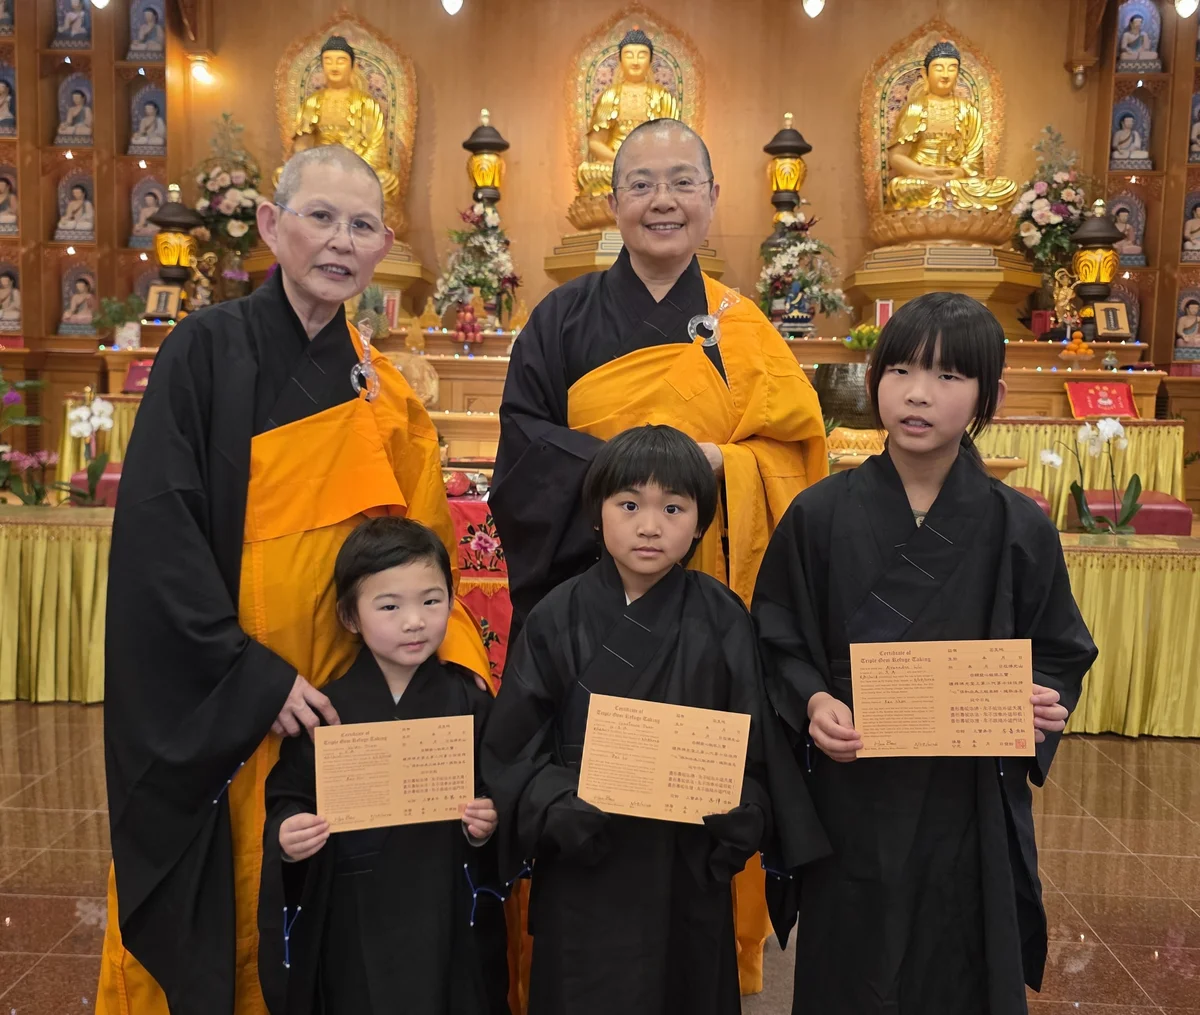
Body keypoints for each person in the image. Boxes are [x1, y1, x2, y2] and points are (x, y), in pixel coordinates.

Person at [97, 144, 492, 1015]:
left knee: (336, 885)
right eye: (320, 217)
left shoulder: (386, 390)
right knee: (238, 878)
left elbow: (427, 546)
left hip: (353, 683)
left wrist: (444, 662)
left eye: (360, 225)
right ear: (273, 227)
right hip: (239, 683)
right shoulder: (204, 351)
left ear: (382, 245)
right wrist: (251, 677)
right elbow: (161, 534)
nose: (339, 241)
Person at [490, 116, 826, 995]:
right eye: (642, 183)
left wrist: (725, 467)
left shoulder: (742, 327)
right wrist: (634, 477)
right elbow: (523, 456)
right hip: (588, 616)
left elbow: (797, 460)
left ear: (714, 200)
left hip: (702, 618)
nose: (663, 200)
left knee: (690, 868)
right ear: (613, 202)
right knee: (580, 848)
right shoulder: (560, 319)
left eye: (683, 181)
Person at [753, 292, 1098, 1015]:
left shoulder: (1015, 526)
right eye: (902, 369)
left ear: (986, 395)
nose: (918, 394)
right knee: (853, 959)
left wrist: (1039, 697)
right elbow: (777, 636)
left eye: (948, 377)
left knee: (958, 957)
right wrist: (814, 701)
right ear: (873, 377)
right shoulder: (818, 515)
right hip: (852, 788)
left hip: (964, 792)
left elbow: (1060, 645)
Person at [483, 425, 825, 1015]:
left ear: (700, 521)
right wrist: (559, 803)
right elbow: (513, 748)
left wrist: (743, 806)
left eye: (673, 507)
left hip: (685, 863)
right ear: (598, 514)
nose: (649, 525)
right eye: (629, 504)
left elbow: (756, 746)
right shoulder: (555, 616)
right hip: (585, 860)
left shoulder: (722, 617)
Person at [258, 516, 509, 1015]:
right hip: (355, 908)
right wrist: (288, 835)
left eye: (431, 601)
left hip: (446, 900)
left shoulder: (471, 702)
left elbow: (499, 784)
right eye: (389, 606)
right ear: (350, 617)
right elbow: (289, 794)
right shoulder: (327, 709)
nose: (414, 621)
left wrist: (488, 822)